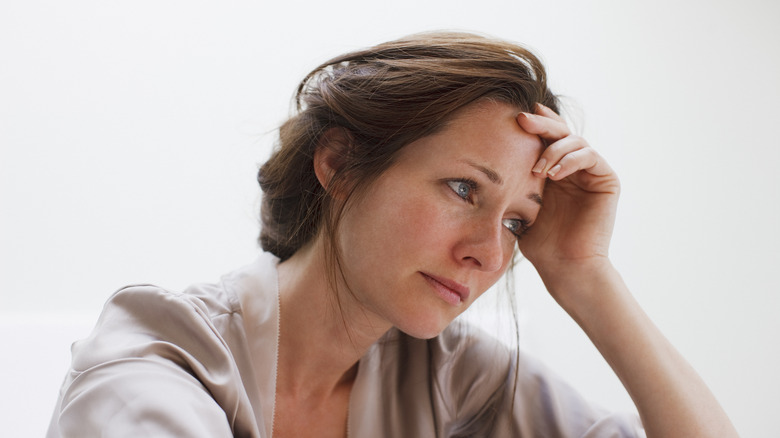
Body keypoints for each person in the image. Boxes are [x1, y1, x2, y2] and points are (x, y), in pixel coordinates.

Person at [46, 31, 738, 437]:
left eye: (516, 222)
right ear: (340, 165)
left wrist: (585, 273)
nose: (488, 253)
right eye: (463, 188)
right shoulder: (159, 354)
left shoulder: (451, 373)